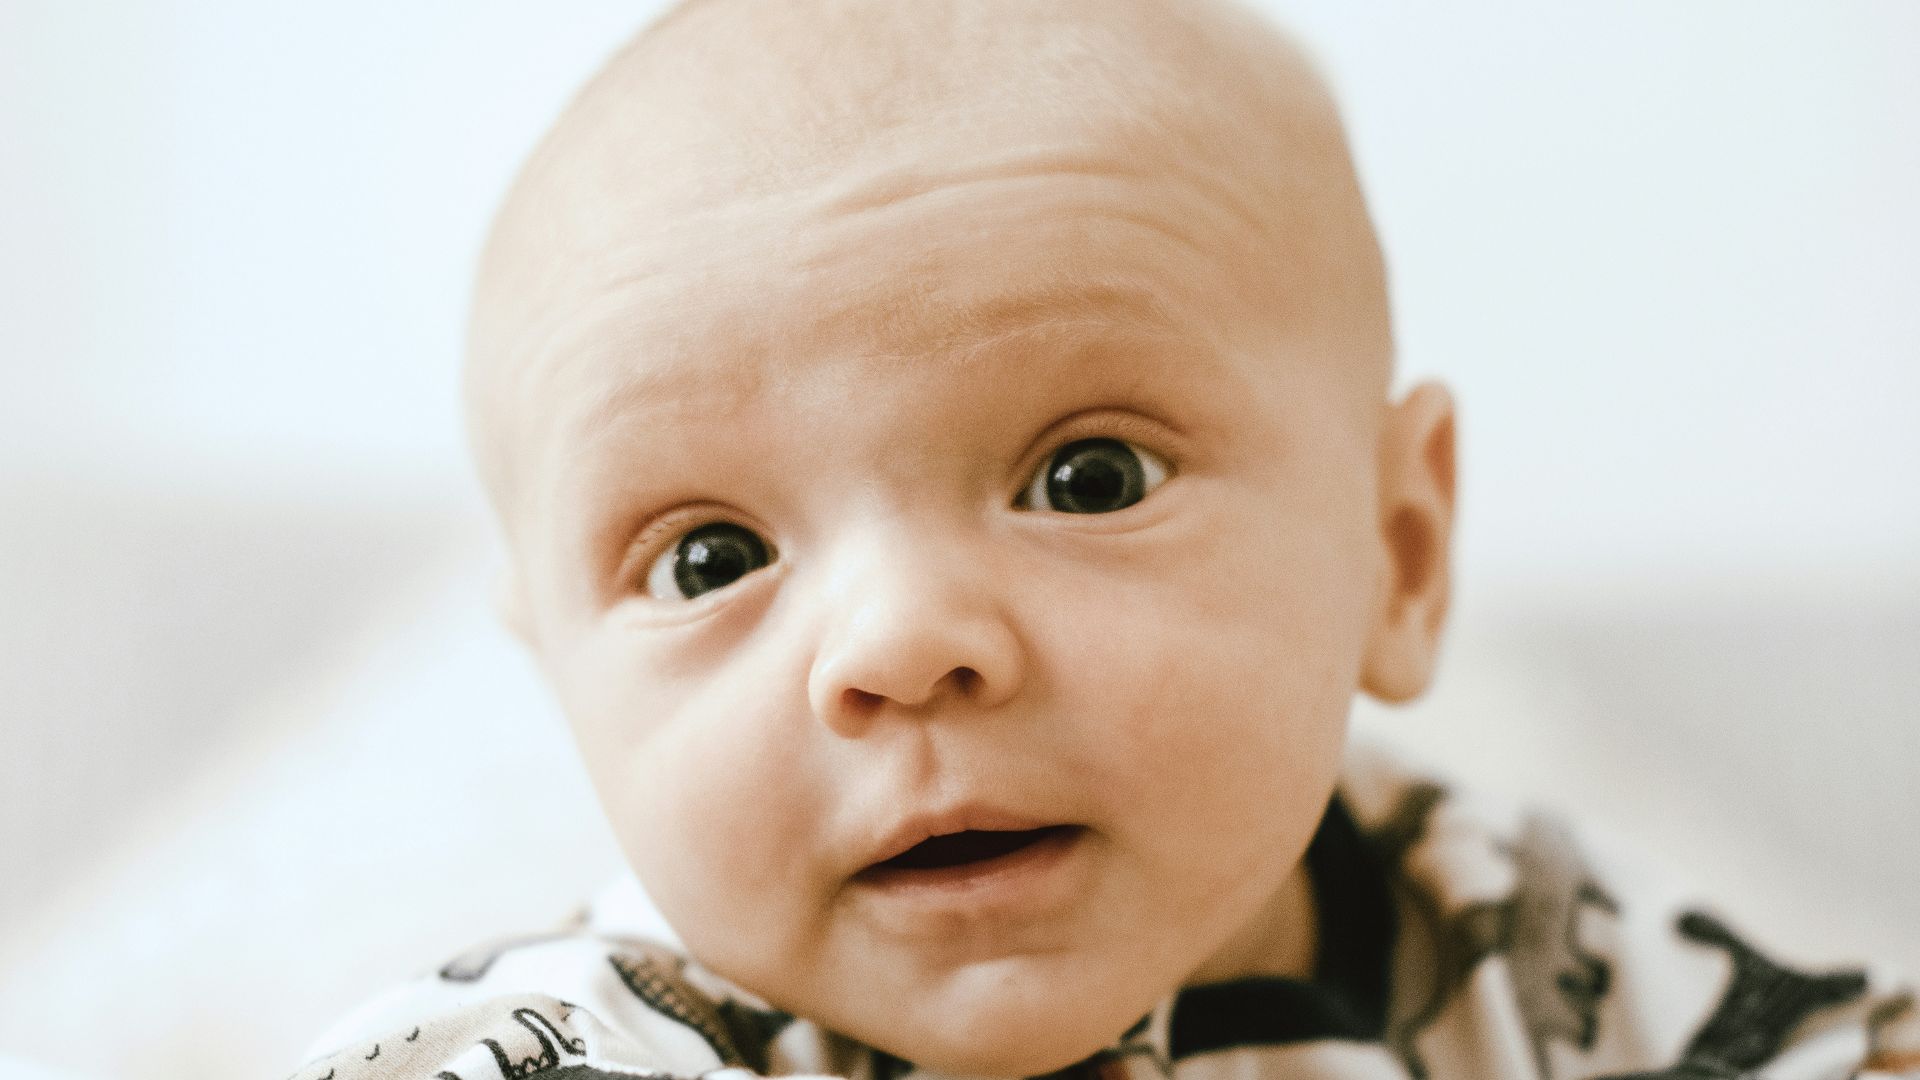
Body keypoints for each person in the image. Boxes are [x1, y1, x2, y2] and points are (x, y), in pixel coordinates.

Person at [291, 1, 1919, 1077]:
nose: (900, 644)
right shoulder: (576, 1048)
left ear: (1399, 554)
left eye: (1089, 479)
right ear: (567, 686)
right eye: (709, 560)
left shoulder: (1512, 932)